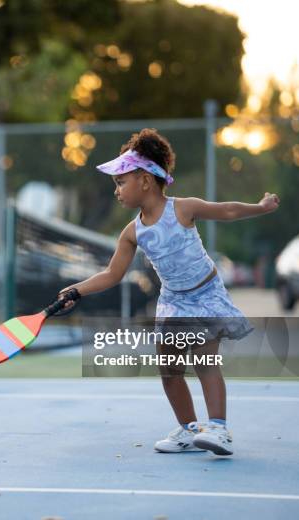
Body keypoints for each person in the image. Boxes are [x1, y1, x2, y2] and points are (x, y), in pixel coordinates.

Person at [59, 128, 280, 456]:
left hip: (206, 294)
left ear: (145, 181)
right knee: (170, 371)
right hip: (173, 301)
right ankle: (189, 430)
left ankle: (218, 429)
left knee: (205, 362)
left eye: (121, 182)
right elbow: (111, 274)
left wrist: (260, 207)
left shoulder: (183, 208)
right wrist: (77, 290)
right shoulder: (132, 232)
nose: (117, 191)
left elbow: (228, 210)